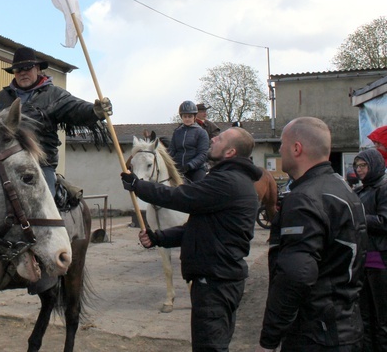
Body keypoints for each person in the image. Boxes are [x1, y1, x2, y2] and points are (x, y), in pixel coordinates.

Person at [121, 126, 261, 352]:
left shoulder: (227, 182)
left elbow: (182, 196)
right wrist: (158, 238)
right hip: (216, 280)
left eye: (221, 138)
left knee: (210, 347)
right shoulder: (228, 178)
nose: (213, 138)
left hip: (215, 283)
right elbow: (195, 229)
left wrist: (139, 186)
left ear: (230, 153)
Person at [256, 117, 367, 352]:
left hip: (316, 334)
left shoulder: (304, 198)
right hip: (346, 327)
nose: (279, 150)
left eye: (282, 145)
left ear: (297, 149)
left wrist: (270, 337)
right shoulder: (343, 188)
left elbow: (296, 274)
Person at [0, 46, 111, 198]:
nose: (23, 72)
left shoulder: (54, 95)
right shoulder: (1, 98)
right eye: (18, 70)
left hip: (42, 165)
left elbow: (74, 108)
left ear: (37, 69)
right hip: (6, 164)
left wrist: (94, 111)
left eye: (27, 68)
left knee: (45, 205)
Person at [353, 148, 387, 351]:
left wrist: (357, 218)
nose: (359, 169)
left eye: (363, 165)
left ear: (374, 164)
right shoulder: (359, 190)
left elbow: (384, 222)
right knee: (363, 315)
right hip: (363, 259)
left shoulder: (383, 189)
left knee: (382, 318)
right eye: (356, 165)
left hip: (379, 259)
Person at [169, 100, 210, 182]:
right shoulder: (177, 132)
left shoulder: (201, 132)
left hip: (196, 169)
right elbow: (172, 151)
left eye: (190, 116)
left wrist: (190, 165)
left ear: (194, 117)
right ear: (181, 117)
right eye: (185, 116)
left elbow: (203, 154)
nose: (187, 119)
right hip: (179, 169)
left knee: (200, 188)